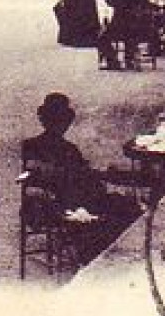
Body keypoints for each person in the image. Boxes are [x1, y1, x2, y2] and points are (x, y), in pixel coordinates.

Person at [19, 93, 142, 263]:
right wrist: (106, 176)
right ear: (65, 123)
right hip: (64, 205)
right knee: (125, 206)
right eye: (63, 121)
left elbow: (38, 176)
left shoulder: (30, 145)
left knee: (109, 199)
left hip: (37, 205)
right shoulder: (68, 149)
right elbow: (80, 177)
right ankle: (96, 254)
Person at [99, 0, 151, 70]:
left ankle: (113, 61)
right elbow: (145, 4)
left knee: (101, 38)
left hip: (119, 27)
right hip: (138, 28)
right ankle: (129, 59)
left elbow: (110, 2)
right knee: (130, 36)